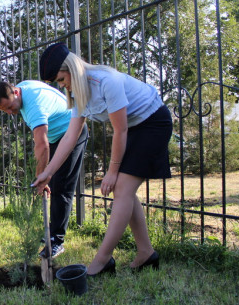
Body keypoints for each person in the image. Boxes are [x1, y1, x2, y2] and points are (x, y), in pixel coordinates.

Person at [33, 42, 172, 275]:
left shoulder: (107, 82)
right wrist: (48, 172)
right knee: (124, 190)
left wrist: (112, 170)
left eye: (60, 79)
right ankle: (146, 253)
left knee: (121, 189)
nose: (61, 85)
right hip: (134, 127)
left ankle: (102, 260)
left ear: (71, 69)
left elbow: (121, 131)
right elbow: (70, 136)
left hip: (153, 123)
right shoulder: (78, 93)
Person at [0, 80, 88, 258]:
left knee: (61, 186)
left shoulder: (34, 105)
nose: (11, 112)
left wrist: (40, 177)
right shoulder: (23, 89)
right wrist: (43, 175)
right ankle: (51, 235)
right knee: (55, 183)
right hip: (56, 136)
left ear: (16, 92)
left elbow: (42, 146)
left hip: (72, 131)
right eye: (5, 111)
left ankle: (57, 241)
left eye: (11, 107)